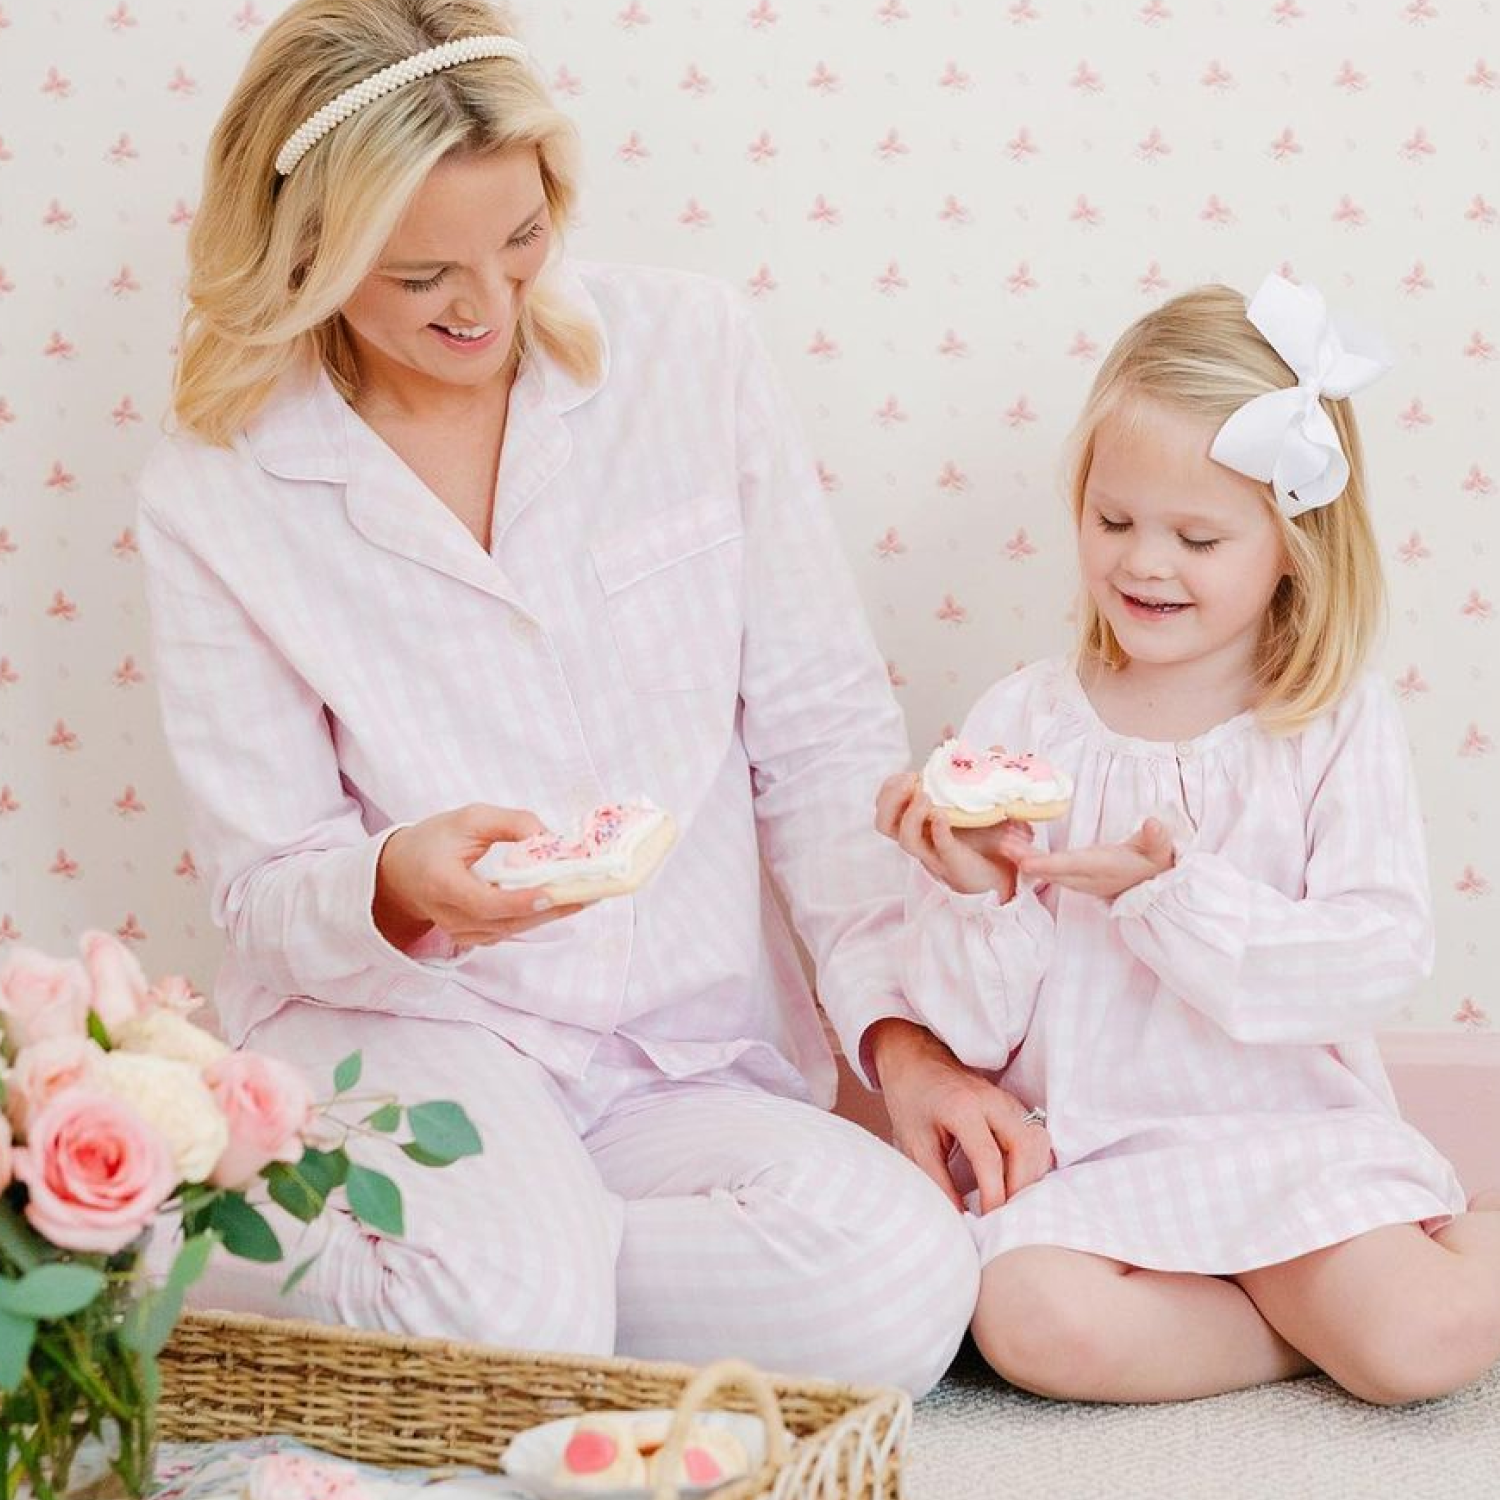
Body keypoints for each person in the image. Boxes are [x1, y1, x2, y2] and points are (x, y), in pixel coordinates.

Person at [133, 0, 1048, 1396]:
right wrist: (398, 884)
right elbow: (266, 885)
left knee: (902, 1286)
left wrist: (903, 1046)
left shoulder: (688, 352)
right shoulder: (220, 487)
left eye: (520, 239)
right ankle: (474, 1270)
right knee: (522, 1289)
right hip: (417, 1028)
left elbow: (816, 737)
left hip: (670, 1058)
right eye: (420, 274)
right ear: (307, 255)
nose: (486, 307)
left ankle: (466, 1279)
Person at [876, 273, 1500, 1405]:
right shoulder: (1024, 722)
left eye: (1198, 537)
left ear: (1291, 546)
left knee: (1423, 1347)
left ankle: (1423, 1261)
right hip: (1101, 1153)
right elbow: (969, 1028)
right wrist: (981, 894)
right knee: (1030, 1324)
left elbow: (1377, 956)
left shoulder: (1328, 722)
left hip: (1287, 1140)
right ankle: (1300, 1326)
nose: (1143, 563)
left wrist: (1171, 898)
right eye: (1112, 520)